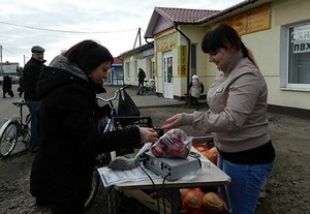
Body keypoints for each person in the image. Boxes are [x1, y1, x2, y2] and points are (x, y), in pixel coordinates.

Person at [29, 40, 158, 214]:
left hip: (62, 172)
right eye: (104, 69)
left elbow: (66, 123)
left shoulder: (68, 86)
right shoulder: (69, 92)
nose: (105, 75)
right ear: (88, 66)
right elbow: (91, 142)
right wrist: (135, 134)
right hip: (64, 176)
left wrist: (95, 114)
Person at [161, 23, 275, 214]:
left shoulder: (246, 76)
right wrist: (210, 124)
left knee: (240, 210)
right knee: (226, 205)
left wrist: (190, 119)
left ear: (232, 46)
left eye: (214, 52)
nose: (211, 59)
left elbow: (232, 120)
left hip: (247, 158)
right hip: (226, 152)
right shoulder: (225, 72)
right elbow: (219, 108)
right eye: (209, 53)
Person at [22, 45, 46, 153]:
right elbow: (38, 83)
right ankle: (34, 147)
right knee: (36, 124)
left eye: (41, 54)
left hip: (35, 98)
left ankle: (36, 144)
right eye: (38, 54)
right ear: (33, 54)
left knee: (38, 122)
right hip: (34, 99)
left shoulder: (38, 65)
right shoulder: (32, 66)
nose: (40, 56)